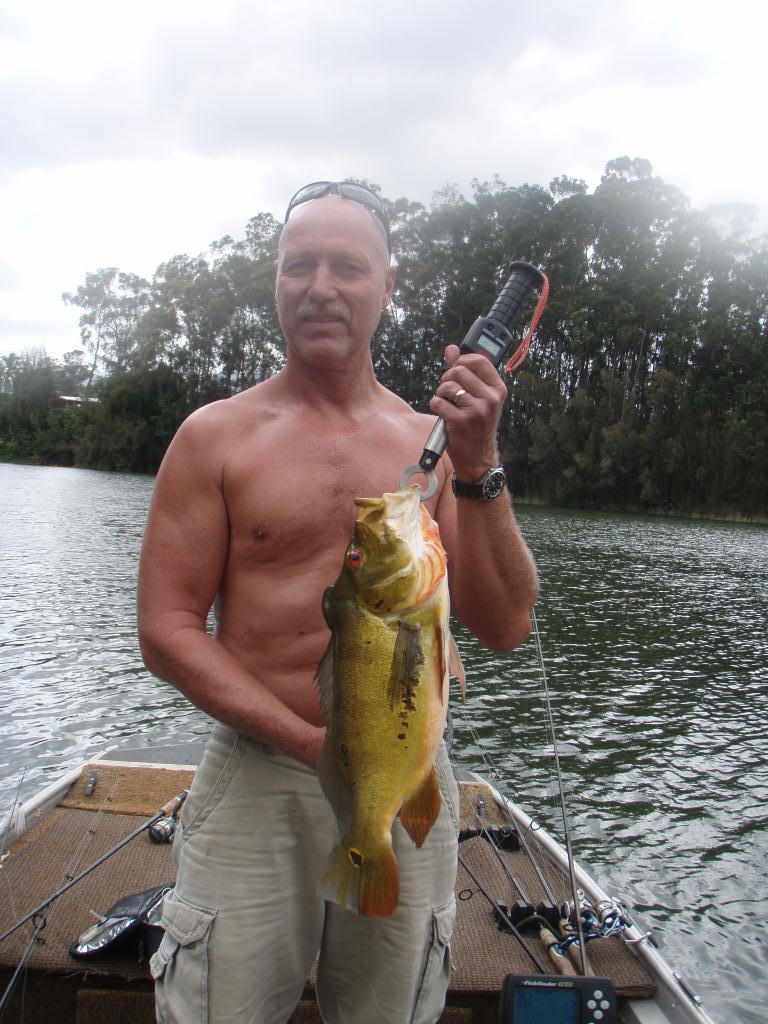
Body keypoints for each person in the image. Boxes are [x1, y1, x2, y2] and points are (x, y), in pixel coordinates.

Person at [137, 180, 539, 1024]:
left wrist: (478, 463)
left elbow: (506, 624)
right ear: (277, 282)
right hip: (259, 770)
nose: (321, 287)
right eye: (301, 265)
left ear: (388, 286)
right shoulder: (215, 437)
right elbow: (167, 632)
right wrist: (311, 743)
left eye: (348, 267)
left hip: (405, 770)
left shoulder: (432, 447)